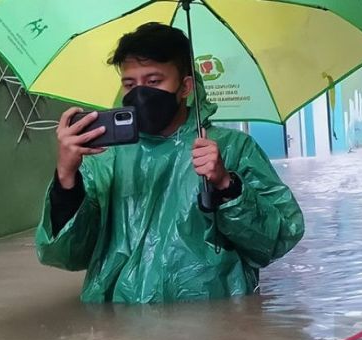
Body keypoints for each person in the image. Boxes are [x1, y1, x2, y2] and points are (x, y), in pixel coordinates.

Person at [34, 23, 304, 303]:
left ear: (185, 86)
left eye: (153, 82)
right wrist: (66, 177)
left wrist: (227, 185)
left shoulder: (233, 149)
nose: (140, 93)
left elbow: (276, 241)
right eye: (130, 84)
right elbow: (65, 255)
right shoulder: (103, 157)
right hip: (121, 321)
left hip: (212, 323)